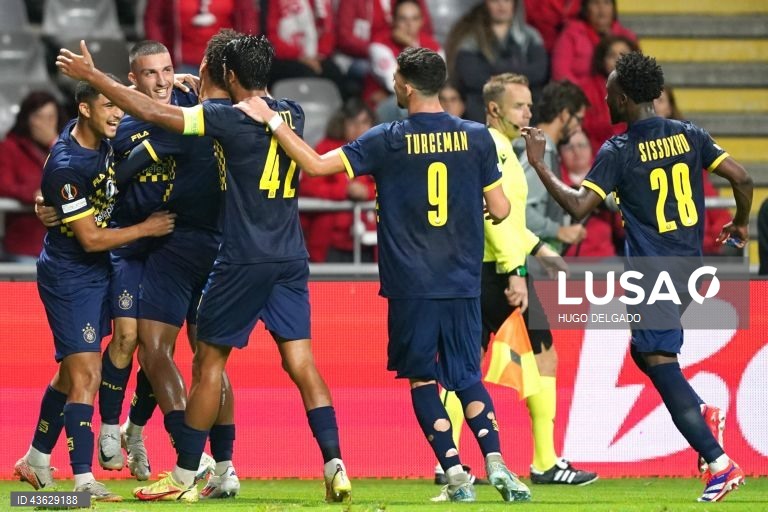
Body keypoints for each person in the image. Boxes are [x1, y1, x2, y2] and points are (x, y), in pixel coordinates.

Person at [57, 35, 352, 503]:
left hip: (225, 253)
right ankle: (327, 462)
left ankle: (184, 470)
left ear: (225, 74)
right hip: (286, 255)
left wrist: (94, 76)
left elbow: (157, 115)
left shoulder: (219, 119)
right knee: (298, 363)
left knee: (199, 361)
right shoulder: (291, 111)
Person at [235, 46, 531, 504]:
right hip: (461, 280)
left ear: (408, 86)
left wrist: (271, 122)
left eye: (396, 79)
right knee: (467, 375)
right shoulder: (476, 137)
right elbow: (501, 207)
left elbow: (314, 166)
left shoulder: (387, 138)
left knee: (423, 379)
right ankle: (497, 462)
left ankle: (454, 473)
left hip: (412, 283)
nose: (393, 85)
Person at [521, 51, 751, 503]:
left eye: (608, 93)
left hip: (652, 272)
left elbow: (577, 207)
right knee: (645, 354)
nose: (604, 99)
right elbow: (742, 179)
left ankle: (719, 463)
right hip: (690, 267)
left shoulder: (620, 150)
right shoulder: (690, 135)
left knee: (659, 360)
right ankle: (701, 411)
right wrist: (740, 223)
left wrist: (541, 163)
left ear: (624, 99)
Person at [13, 80, 175, 502]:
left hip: (96, 270)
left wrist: (182, 81)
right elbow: (89, 238)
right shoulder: (68, 166)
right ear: (84, 109)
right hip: (71, 274)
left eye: (119, 106)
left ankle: (34, 458)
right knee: (87, 373)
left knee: (69, 374)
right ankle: (83, 482)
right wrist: (146, 228)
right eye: (109, 106)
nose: (118, 113)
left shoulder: (92, 133)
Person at [436, 73, 597, 488]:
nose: (528, 113)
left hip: (478, 270)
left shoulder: (498, 148)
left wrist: (541, 249)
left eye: (528, 105)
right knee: (543, 358)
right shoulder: (495, 150)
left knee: (463, 366)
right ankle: (545, 461)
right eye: (519, 106)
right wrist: (517, 272)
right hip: (497, 273)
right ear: (494, 110)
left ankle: (447, 462)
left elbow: (507, 219)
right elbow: (497, 222)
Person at [654, 86, 732, 256]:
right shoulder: (629, 148)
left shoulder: (690, 149)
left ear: (669, 107)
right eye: (649, 101)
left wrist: (704, 242)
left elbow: (720, 216)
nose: (654, 106)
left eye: (660, 100)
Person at [514, 80, 589, 254]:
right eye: (578, 119)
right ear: (564, 114)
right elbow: (517, 208)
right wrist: (559, 231)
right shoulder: (542, 151)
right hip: (529, 261)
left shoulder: (530, 143)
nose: (579, 128)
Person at [445, 0, 549, 122]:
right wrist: (516, 75)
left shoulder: (530, 36)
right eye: (495, 1)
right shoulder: (471, 39)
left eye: (506, 0)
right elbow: (471, 77)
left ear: (514, 4)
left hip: (524, 108)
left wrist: (494, 73)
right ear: (486, 4)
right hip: (483, 109)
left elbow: (539, 72)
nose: (501, 5)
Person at [300, 98, 377, 262]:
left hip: (371, 244)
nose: (358, 128)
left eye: (364, 122)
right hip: (330, 244)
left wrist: (367, 192)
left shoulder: (379, 151)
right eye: (352, 122)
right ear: (342, 123)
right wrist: (345, 191)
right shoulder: (325, 149)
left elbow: (390, 186)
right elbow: (307, 187)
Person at [0, 91, 63, 262]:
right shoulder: (10, 147)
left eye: (51, 117)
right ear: (27, 119)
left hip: (62, 244)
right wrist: (33, 193)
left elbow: (74, 174)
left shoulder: (63, 147)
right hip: (25, 244)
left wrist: (54, 143)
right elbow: (4, 185)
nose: (45, 123)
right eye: (38, 117)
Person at [367, 0, 443, 121]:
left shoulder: (433, 46)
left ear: (422, 21)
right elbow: (395, 85)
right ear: (393, 20)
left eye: (414, 19)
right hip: (384, 108)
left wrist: (411, 45)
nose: (409, 24)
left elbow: (440, 81)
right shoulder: (379, 45)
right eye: (403, 19)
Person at [143, 0, 257, 74]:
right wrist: (161, 57)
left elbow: (248, 20)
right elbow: (153, 20)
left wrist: (242, 56)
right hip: (181, 65)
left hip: (226, 65)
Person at [559, 130, 623, 256]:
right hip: (566, 259)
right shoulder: (555, 181)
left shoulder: (607, 176)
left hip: (603, 256)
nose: (576, 152)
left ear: (590, 148)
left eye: (581, 145)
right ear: (560, 153)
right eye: (569, 147)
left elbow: (622, 229)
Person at [578, 34, 638, 155]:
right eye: (612, 56)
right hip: (596, 156)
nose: (618, 60)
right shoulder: (587, 89)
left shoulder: (643, 87)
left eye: (623, 55)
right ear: (603, 61)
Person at [551, 0, 636, 84]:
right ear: (585, 9)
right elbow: (560, 74)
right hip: (578, 94)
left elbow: (637, 72)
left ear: (613, 9)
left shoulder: (627, 37)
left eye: (606, 2)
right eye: (595, 3)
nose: (601, 9)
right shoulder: (570, 34)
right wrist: (586, 93)